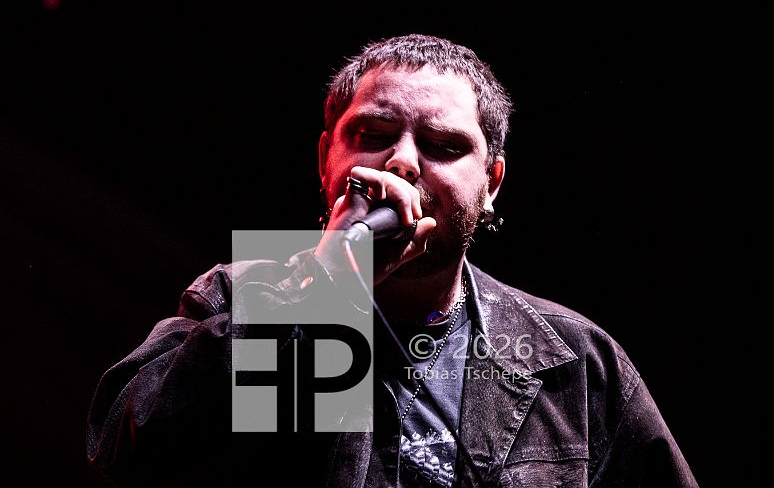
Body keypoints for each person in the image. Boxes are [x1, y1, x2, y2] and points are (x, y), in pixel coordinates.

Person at [87, 34, 698, 487]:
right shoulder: (240, 297)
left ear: (491, 183)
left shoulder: (571, 358)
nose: (402, 162)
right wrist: (324, 293)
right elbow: (132, 457)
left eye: (443, 145)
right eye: (374, 135)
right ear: (326, 159)